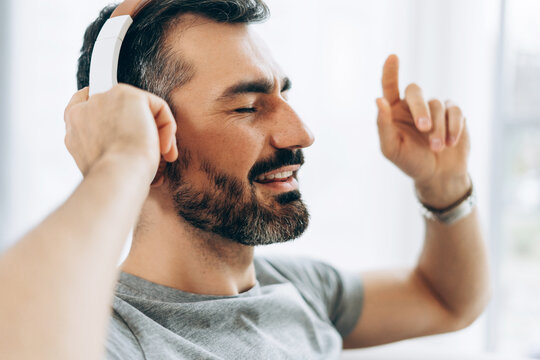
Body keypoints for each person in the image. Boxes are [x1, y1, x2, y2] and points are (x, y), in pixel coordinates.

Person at [0, 0, 490, 359]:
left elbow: (446, 301)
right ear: (149, 130)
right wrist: (119, 159)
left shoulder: (298, 288)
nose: (301, 133)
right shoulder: (117, 338)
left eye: (283, 97)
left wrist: (443, 188)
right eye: (248, 106)